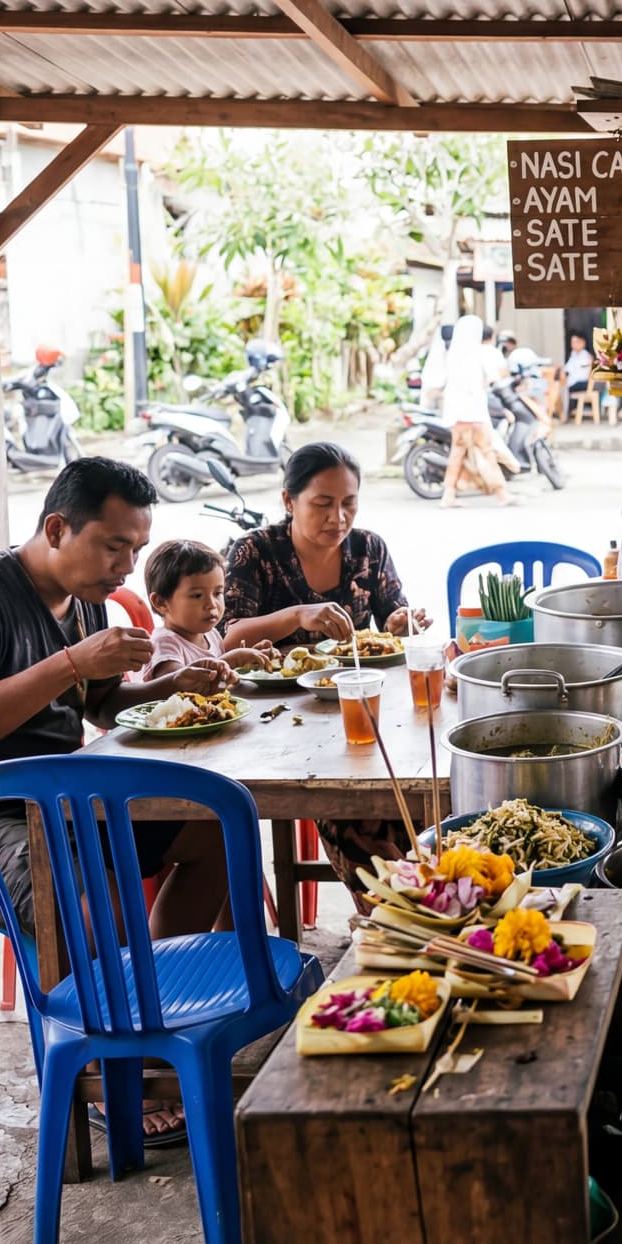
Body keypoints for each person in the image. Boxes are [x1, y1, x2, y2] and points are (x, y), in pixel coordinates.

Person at [0, 458, 234, 1145]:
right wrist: (73, 662)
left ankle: (139, 1019)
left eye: (136, 548)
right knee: (76, 888)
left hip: (54, 801)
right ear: (56, 527)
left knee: (210, 827)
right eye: (114, 546)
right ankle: (105, 1075)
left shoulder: (85, 597)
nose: (127, 567)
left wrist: (169, 684)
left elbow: (98, 706)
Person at [221, 443, 432, 895]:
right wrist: (297, 616)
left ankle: (417, 905)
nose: (338, 518)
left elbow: (396, 622)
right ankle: (390, 912)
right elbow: (226, 638)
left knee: (416, 803)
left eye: (348, 504)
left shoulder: (369, 549)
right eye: (322, 504)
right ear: (287, 501)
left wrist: (401, 623)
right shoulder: (255, 552)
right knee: (363, 813)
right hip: (276, 728)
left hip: (358, 713)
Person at [139, 539, 278, 684]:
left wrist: (250, 660)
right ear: (161, 602)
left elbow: (222, 682)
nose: (212, 604)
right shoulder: (164, 644)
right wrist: (233, 659)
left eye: (218, 593)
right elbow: (177, 685)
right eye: (197, 596)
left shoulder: (211, 635)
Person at [432, 313, 508, 508]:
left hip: (455, 414)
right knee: (487, 452)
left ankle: (448, 496)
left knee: (457, 454)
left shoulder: (452, 354)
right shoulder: (477, 353)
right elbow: (488, 380)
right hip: (474, 413)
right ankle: (502, 493)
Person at [564, 332, 597, 420]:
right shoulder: (573, 354)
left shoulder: (586, 356)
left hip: (583, 383)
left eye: (576, 342)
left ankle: (564, 413)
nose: (573, 345)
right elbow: (566, 369)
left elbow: (582, 374)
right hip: (574, 382)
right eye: (572, 342)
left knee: (563, 386)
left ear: (582, 343)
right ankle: (567, 411)